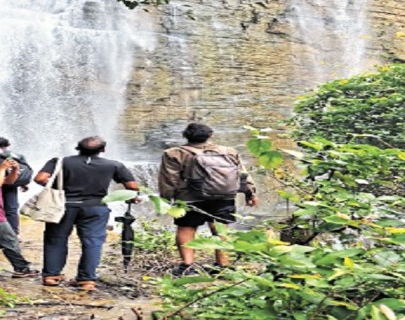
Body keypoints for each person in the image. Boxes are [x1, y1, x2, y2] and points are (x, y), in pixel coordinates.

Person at [35, 136, 140, 291]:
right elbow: (132, 186)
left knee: (55, 239)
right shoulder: (113, 165)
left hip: (63, 206)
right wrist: (132, 197)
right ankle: (86, 280)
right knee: (93, 242)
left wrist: (57, 187)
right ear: (103, 150)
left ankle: (51, 276)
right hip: (96, 207)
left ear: (77, 148)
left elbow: (40, 178)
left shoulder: (60, 161)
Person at [158, 123, 258, 276]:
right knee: (220, 229)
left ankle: (187, 266)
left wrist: (166, 199)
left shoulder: (174, 153)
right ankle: (222, 265)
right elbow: (242, 174)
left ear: (185, 136)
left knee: (187, 228)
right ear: (210, 135)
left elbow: (169, 179)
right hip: (224, 196)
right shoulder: (229, 151)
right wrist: (250, 193)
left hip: (190, 197)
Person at [0, 137, 33, 235]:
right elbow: (23, 169)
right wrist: (23, 183)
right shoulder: (18, 155)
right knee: (11, 208)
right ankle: (13, 232)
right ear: (7, 145)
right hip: (11, 185)